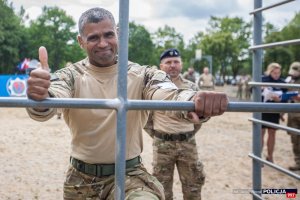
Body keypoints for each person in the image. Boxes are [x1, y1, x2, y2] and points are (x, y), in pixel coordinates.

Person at [25, 7, 228, 200]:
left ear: (119, 34)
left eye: (108, 35)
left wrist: (193, 100)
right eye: (93, 37)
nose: (103, 43)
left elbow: (166, 93)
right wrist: (40, 95)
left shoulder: (142, 74)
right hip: (81, 178)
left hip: (130, 173)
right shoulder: (71, 75)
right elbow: (49, 102)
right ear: (81, 41)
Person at [144, 48, 205, 200]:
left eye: (176, 62)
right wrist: (159, 134)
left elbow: (201, 116)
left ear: (181, 65)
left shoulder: (192, 88)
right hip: (162, 144)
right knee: (162, 189)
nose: (172, 65)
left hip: (188, 143)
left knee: (193, 186)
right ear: (161, 66)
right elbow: (145, 118)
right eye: (168, 62)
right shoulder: (153, 88)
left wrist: (189, 130)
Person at [261, 63, 287, 163]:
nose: (277, 75)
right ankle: (258, 155)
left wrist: (279, 100)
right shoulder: (263, 80)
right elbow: (252, 90)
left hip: (274, 111)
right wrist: (261, 88)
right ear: (270, 71)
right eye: (274, 73)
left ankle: (270, 156)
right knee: (261, 133)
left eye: (278, 73)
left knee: (272, 133)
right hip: (262, 110)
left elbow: (285, 99)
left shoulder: (282, 82)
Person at [286, 61, 300, 171]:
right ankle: (298, 162)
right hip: (292, 115)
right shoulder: (290, 81)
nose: (293, 74)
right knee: (294, 139)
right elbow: (287, 98)